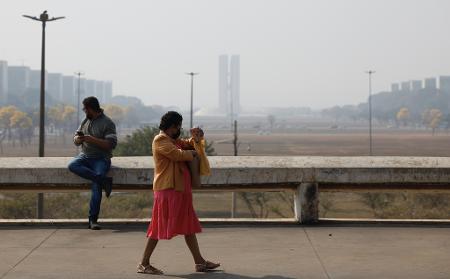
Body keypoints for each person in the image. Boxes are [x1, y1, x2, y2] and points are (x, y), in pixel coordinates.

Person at [137, 111, 220, 274]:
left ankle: (200, 262)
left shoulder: (173, 140)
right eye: (178, 127)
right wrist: (193, 153)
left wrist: (196, 139)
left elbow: (186, 144)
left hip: (180, 189)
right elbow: (177, 155)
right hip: (167, 190)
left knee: (188, 225)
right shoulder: (160, 140)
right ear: (171, 127)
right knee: (158, 226)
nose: (179, 130)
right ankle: (144, 263)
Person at [68, 96, 117, 230]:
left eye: (85, 109)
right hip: (85, 156)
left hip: (101, 158)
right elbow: (76, 139)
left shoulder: (108, 123)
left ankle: (92, 220)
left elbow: (110, 144)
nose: (84, 111)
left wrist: (90, 139)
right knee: (72, 165)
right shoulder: (86, 121)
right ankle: (104, 181)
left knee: (96, 186)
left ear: (90, 109)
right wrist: (78, 139)